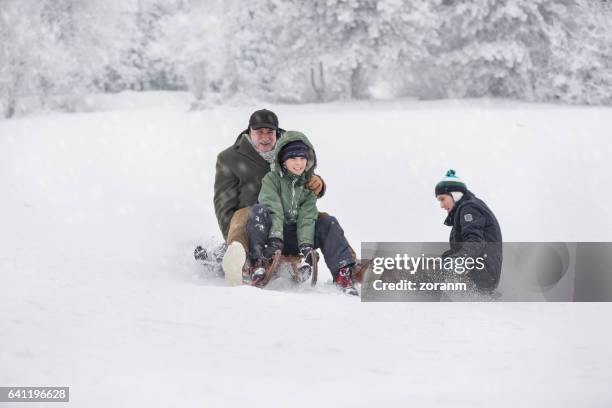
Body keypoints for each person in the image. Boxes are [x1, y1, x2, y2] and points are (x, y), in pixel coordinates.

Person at [211, 109, 362, 291]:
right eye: (259, 132)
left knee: (324, 219)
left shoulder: (289, 148)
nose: (265, 138)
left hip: (291, 219)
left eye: (270, 132)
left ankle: (349, 268)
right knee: (246, 214)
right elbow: (223, 204)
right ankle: (238, 256)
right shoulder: (230, 159)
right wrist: (233, 239)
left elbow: (304, 178)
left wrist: (318, 184)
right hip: (256, 224)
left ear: (277, 132)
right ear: (249, 132)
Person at [236, 131, 358, 294]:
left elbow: (307, 217)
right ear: (283, 161)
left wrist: (306, 245)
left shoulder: (308, 186)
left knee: (328, 222)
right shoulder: (271, 180)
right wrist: (275, 239)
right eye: (293, 158)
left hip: (295, 238)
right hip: (271, 237)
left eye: (302, 158)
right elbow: (274, 209)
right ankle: (257, 263)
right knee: (259, 212)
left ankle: (343, 273)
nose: (298, 163)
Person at [435, 169, 503, 292]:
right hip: (481, 272)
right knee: (432, 267)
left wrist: (455, 264)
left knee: (426, 272)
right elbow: (462, 249)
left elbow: (475, 242)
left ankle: (421, 303)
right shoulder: (466, 209)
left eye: (442, 199)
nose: (441, 205)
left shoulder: (469, 208)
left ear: (454, 194)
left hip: (482, 274)